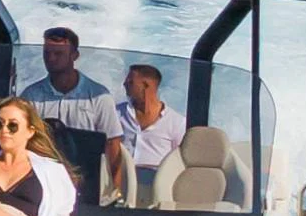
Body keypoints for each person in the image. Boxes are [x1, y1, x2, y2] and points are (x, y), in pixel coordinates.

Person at [26, 27, 116, 149]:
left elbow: (112, 143)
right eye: (47, 53)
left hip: (86, 167)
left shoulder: (99, 97)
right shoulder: (31, 96)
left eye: (58, 54)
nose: (51, 59)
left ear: (75, 55)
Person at [109, 62, 187, 203]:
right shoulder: (116, 114)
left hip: (157, 184)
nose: (124, 84)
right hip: (121, 180)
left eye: (130, 82)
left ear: (145, 86)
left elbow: (180, 161)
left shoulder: (177, 122)